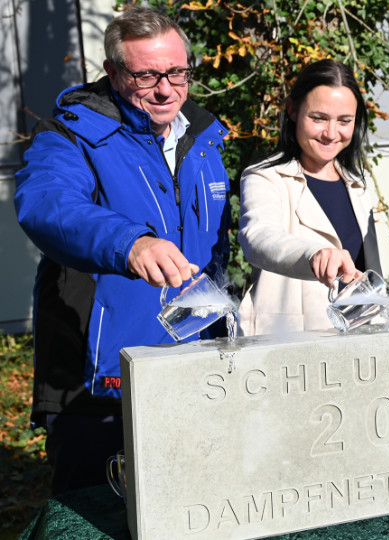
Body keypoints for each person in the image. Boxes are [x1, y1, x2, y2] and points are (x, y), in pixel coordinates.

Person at [14, 7, 232, 495]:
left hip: (198, 371)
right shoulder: (71, 134)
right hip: (102, 383)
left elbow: (217, 250)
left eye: (177, 72)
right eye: (146, 74)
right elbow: (46, 204)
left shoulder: (205, 139)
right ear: (113, 72)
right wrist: (128, 242)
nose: (165, 88)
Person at [237, 59, 381, 335]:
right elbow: (258, 237)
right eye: (319, 118)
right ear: (293, 110)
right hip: (289, 344)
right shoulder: (265, 177)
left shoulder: (357, 185)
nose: (331, 133)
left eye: (344, 121)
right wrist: (313, 254)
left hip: (360, 343)